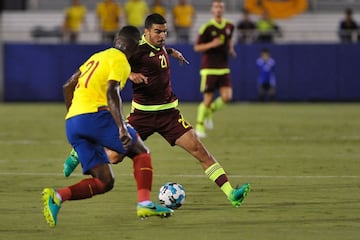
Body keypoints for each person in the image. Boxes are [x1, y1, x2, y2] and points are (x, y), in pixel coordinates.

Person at [64, 13, 250, 210]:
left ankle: (232, 193)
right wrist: (133, 74)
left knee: (199, 150)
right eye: (158, 32)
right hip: (141, 116)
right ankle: (79, 151)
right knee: (114, 157)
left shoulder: (159, 45)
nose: (162, 36)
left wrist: (170, 51)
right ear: (146, 32)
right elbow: (118, 63)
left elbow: (157, 51)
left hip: (169, 115)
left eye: (165, 32)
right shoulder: (134, 51)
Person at [41, 25, 173, 228]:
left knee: (104, 182)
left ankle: (57, 197)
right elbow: (112, 92)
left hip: (73, 123)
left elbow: (68, 85)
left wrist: (73, 114)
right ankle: (145, 203)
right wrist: (121, 127)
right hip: (95, 115)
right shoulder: (121, 61)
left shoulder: (97, 56)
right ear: (135, 45)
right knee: (140, 152)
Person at [193, 0, 236, 138]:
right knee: (207, 99)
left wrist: (231, 49)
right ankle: (199, 125)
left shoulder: (229, 26)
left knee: (227, 97)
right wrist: (212, 44)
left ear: (223, 10)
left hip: (223, 68)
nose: (218, 9)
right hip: (209, 68)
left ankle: (209, 112)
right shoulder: (206, 28)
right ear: (212, 10)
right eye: (216, 7)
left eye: (221, 7)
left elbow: (229, 40)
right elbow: (197, 47)